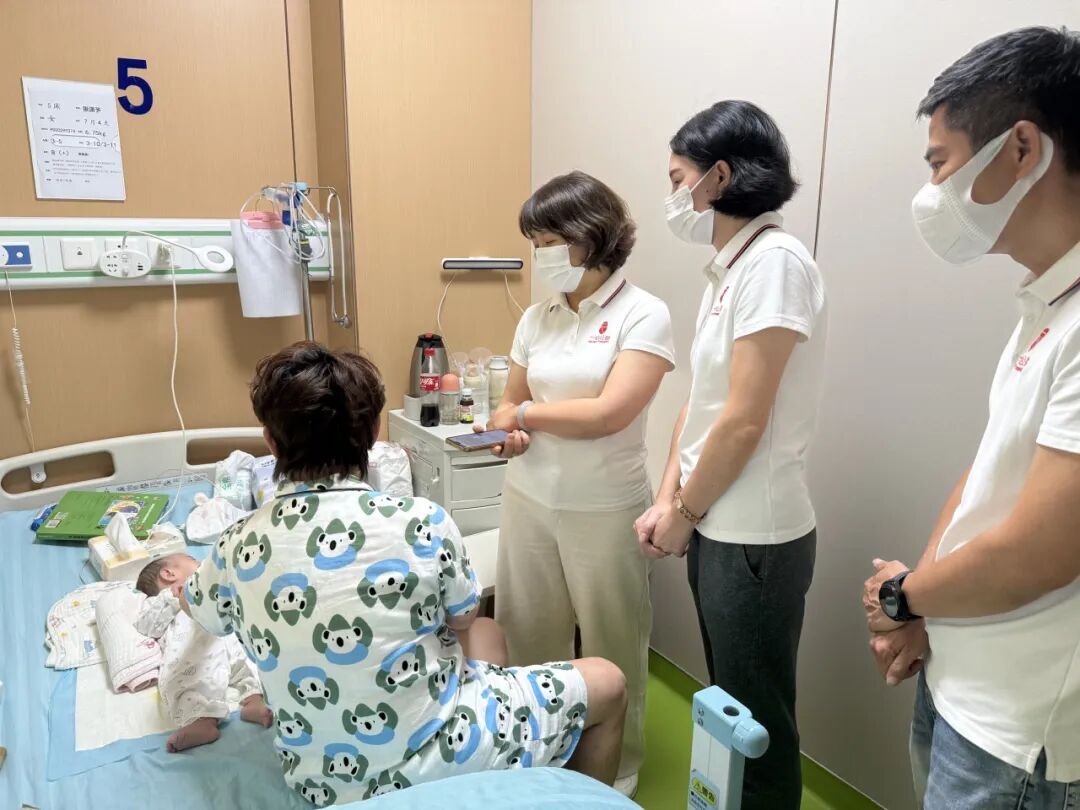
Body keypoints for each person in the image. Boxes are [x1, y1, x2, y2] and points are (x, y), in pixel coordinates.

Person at [175, 342, 627, 805]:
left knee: (489, 636)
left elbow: (195, 604)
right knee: (607, 681)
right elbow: (462, 618)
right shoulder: (422, 522)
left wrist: (188, 580)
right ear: (373, 433)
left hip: (325, 783)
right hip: (447, 753)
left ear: (271, 442)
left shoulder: (236, 546)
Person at [863, 26, 1080, 810]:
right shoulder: (1046, 303)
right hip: (959, 676)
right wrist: (920, 600)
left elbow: (1037, 551)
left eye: (940, 162)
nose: (933, 191)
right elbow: (989, 469)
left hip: (1018, 732)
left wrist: (904, 597)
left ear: (1021, 149)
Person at [635, 101, 827, 810]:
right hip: (716, 519)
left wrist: (684, 511)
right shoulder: (731, 269)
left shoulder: (775, 264)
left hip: (755, 534)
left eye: (676, 177)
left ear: (717, 177)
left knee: (755, 723)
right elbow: (701, 403)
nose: (672, 195)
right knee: (729, 708)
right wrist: (668, 499)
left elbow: (745, 421)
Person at [480, 170, 675, 798]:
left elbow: (608, 414)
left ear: (590, 236)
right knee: (526, 630)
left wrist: (526, 416)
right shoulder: (537, 318)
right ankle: (537, 755)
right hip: (529, 497)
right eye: (534, 243)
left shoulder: (643, 314)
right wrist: (508, 431)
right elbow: (508, 404)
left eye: (548, 242)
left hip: (605, 506)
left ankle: (620, 764)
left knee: (614, 636)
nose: (539, 256)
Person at [134, 553, 271, 752]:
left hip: (229, 638)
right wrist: (172, 598)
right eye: (196, 563)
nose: (203, 565)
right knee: (187, 680)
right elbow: (147, 626)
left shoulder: (212, 589)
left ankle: (254, 700)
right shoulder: (161, 601)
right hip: (194, 647)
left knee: (251, 663)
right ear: (169, 574)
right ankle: (201, 720)